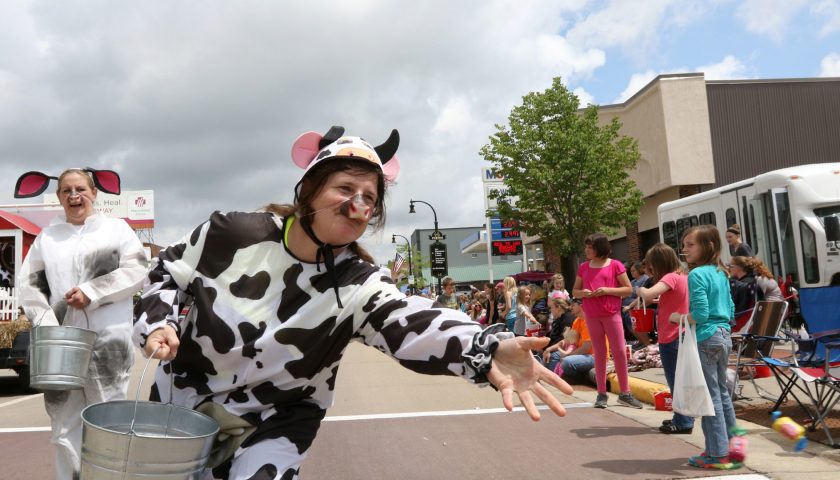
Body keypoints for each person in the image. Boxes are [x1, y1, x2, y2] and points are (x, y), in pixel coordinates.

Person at [133, 126, 572, 479]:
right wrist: (158, 324)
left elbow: (410, 320)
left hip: (279, 418)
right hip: (184, 400)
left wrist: (485, 348)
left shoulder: (361, 283)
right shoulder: (231, 233)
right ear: (308, 192)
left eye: (369, 198)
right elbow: (166, 274)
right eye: (344, 189)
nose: (358, 206)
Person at [17, 168, 148, 480]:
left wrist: (93, 292)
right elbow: (29, 284)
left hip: (107, 342)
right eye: (66, 191)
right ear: (59, 197)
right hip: (59, 346)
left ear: (94, 192)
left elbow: (138, 270)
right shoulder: (48, 236)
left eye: (80, 189)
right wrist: (47, 322)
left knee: (108, 419)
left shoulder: (115, 229)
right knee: (64, 423)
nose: (74, 196)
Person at [680, 225, 740, 470]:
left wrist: (680, 318)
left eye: (690, 245)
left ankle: (716, 453)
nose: (684, 250)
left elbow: (701, 314)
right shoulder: (721, 273)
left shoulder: (696, 275)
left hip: (706, 337)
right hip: (724, 335)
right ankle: (731, 447)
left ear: (709, 246)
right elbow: (732, 309)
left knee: (710, 396)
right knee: (722, 393)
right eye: (684, 245)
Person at [572, 233, 642, 409]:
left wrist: (607, 290)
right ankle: (601, 393)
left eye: (590, 247)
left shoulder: (616, 265)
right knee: (600, 353)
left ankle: (625, 393)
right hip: (592, 315)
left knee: (618, 351)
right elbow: (574, 291)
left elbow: (628, 289)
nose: (587, 250)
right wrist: (584, 293)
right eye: (586, 247)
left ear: (599, 248)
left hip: (612, 314)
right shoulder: (583, 267)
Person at [636, 243, 694, 435]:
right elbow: (675, 299)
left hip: (671, 335)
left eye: (652, 265)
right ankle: (682, 417)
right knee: (681, 379)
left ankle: (684, 421)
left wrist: (639, 290)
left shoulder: (669, 276)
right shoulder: (683, 277)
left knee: (675, 379)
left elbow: (648, 293)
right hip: (683, 334)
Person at [542, 298, 595, 381]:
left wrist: (568, 355)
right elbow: (567, 340)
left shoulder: (589, 321)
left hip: (593, 356)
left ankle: (568, 379)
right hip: (580, 354)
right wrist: (549, 349)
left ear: (581, 306)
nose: (570, 307)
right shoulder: (577, 320)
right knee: (553, 355)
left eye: (573, 305)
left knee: (566, 362)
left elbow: (586, 349)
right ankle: (554, 378)